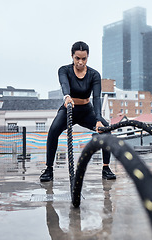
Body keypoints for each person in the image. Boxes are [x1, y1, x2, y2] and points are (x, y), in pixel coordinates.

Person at [40, 41, 116, 182]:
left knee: (107, 130)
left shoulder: (94, 75)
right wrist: (67, 96)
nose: (80, 62)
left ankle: (106, 168)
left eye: (84, 58)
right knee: (53, 132)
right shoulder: (64, 70)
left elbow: (97, 97)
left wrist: (98, 119)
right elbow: (64, 84)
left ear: (87, 57)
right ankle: (48, 169)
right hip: (69, 108)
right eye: (77, 58)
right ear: (72, 56)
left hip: (87, 111)